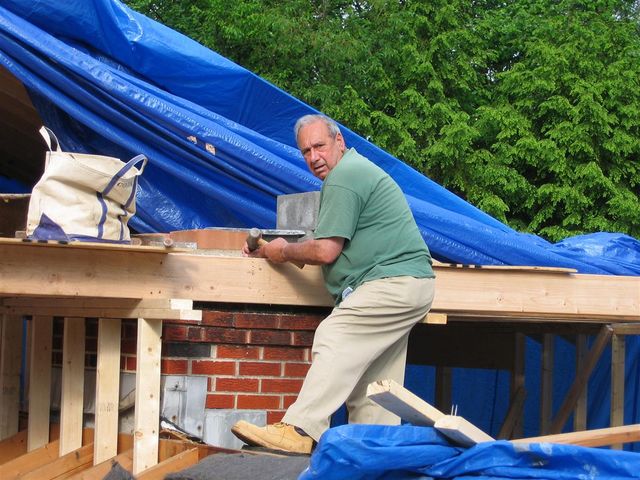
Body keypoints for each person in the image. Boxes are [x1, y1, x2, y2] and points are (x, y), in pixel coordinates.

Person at [231, 114, 435, 454]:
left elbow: (325, 250)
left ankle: (301, 429)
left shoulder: (344, 177)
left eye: (320, 146)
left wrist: (283, 251)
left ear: (339, 141)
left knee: (334, 334)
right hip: (408, 285)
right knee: (374, 389)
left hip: (392, 283)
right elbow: (325, 246)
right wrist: (273, 250)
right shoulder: (354, 173)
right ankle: (373, 457)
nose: (314, 157)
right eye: (306, 151)